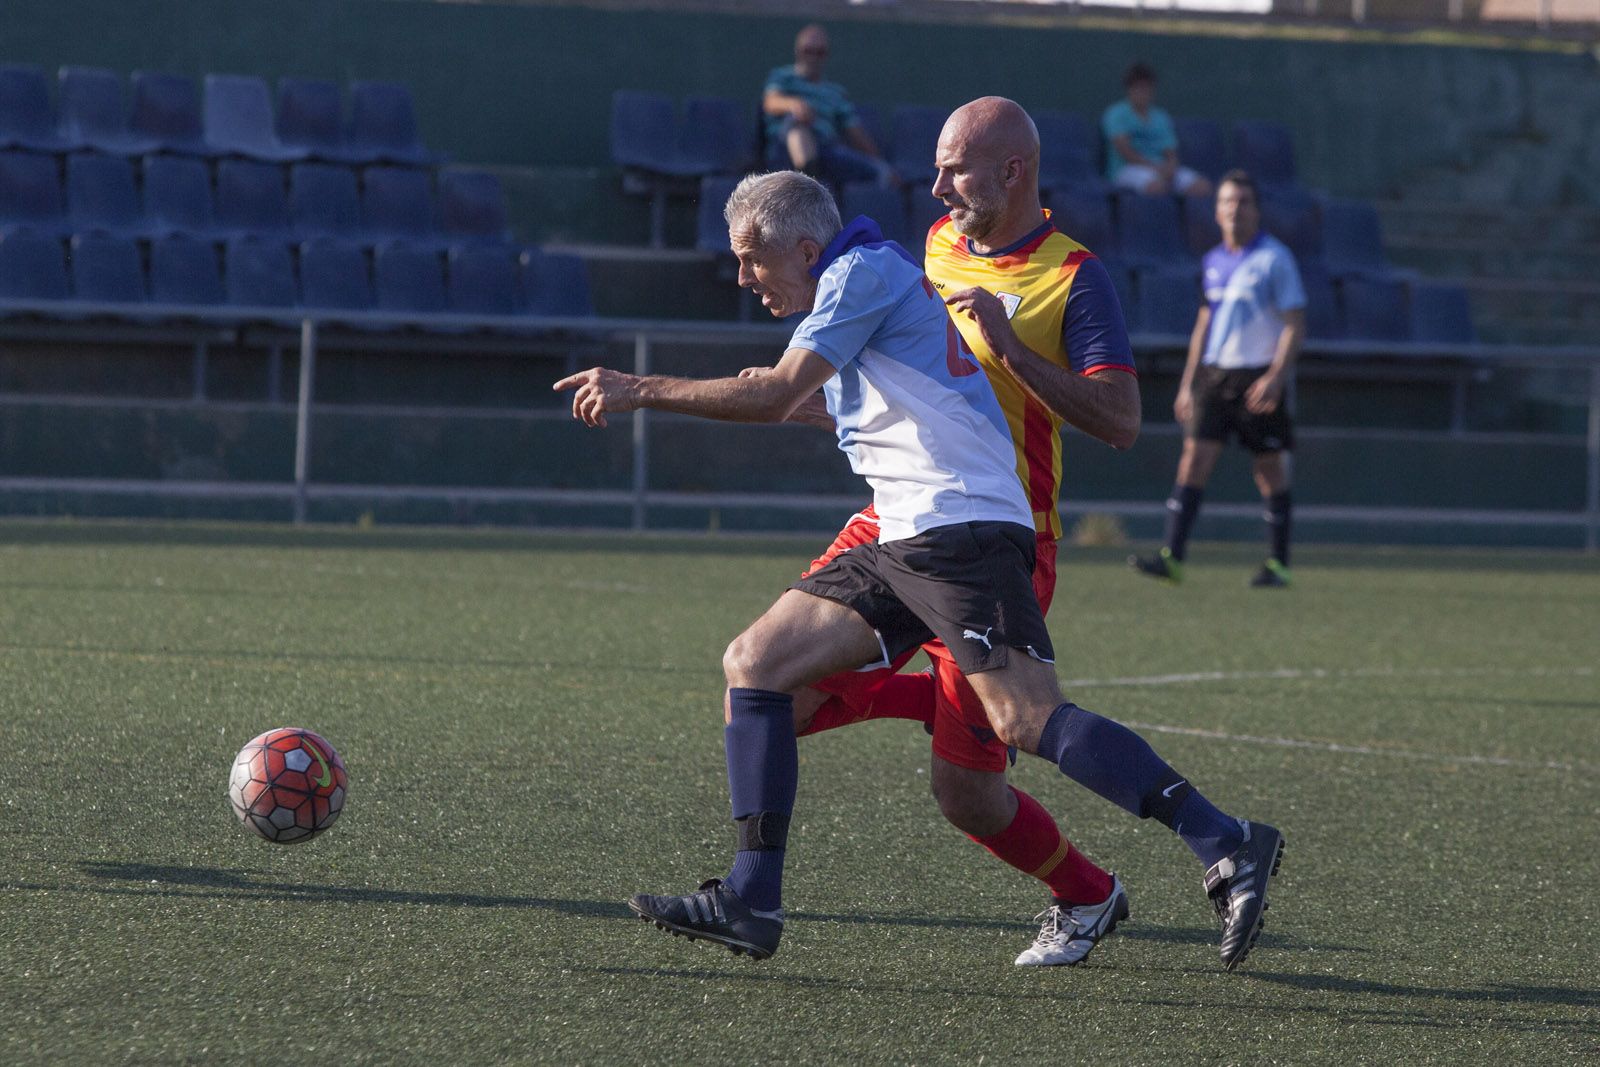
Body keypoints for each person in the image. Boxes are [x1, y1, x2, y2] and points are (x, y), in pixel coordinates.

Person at [554, 167, 1284, 972]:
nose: (742, 277)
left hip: (959, 527)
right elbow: (802, 402)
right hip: (903, 530)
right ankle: (752, 897)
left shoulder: (859, 273)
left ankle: (1226, 839)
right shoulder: (866, 278)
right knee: (757, 668)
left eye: (751, 258)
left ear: (803, 247)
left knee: (1023, 720)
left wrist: (639, 388)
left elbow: (771, 395)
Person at [782, 94, 1146, 969]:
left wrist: (1017, 352)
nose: (935, 184)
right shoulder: (939, 246)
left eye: (954, 168)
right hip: (902, 518)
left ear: (1012, 172)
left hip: (999, 542)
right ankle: (945, 702)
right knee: (773, 690)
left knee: (969, 795)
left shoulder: (1073, 277)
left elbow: (1125, 420)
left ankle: (1089, 891)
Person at [1130, 169, 1306, 588]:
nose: (1234, 210)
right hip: (1215, 375)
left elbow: (1295, 323)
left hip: (1257, 377)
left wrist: (1276, 376)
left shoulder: (1274, 259)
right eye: (1227, 202)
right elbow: (1204, 324)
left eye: (1243, 202)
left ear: (1257, 210)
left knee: (1269, 471)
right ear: (1217, 210)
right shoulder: (1213, 261)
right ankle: (1173, 558)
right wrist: (1189, 381)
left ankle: (1278, 564)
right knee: (1193, 462)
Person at [762, 24, 895, 188]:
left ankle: (810, 184)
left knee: (880, 173)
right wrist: (794, 105)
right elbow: (770, 102)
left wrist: (880, 163)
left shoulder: (835, 92)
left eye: (819, 52)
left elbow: (855, 132)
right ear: (798, 51)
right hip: (783, 150)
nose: (813, 57)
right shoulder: (783, 77)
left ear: (826, 55)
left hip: (826, 151)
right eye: (808, 51)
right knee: (796, 125)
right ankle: (807, 178)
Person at [1101, 62, 1212, 199]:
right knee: (1156, 188)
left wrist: (1170, 168)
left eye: (1147, 88)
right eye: (1139, 88)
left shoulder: (1161, 117)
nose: (1143, 92)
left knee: (1202, 187)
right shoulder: (1116, 114)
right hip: (1127, 170)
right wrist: (1153, 169)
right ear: (1129, 89)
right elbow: (1125, 150)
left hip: (1162, 169)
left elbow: (1171, 152)